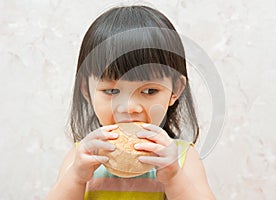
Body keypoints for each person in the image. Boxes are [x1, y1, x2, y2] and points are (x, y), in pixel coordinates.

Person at [46, 5, 215, 200]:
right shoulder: (81, 158)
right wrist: (76, 178)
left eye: (149, 91)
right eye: (111, 90)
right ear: (86, 90)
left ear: (175, 91)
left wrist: (174, 177)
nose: (129, 108)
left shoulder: (182, 158)